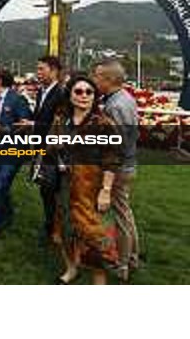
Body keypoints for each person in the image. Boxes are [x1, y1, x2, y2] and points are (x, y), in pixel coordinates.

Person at [48, 74, 123, 285]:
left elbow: (112, 159)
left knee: (95, 239)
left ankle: (99, 283)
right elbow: (49, 147)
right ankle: (71, 269)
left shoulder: (103, 124)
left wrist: (106, 190)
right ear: (70, 95)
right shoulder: (61, 120)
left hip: (91, 190)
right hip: (64, 186)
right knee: (65, 231)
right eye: (78, 91)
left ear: (95, 96)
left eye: (89, 92)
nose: (84, 95)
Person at [93, 59, 140, 282]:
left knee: (121, 216)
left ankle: (122, 264)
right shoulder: (124, 98)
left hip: (119, 168)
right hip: (128, 164)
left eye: (97, 76)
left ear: (109, 79)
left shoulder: (115, 105)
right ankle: (132, 257)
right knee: (125, 212)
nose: (94, 80)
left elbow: (116, 145)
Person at [0, 69, 32, 239]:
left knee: (1, 184)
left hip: (14, 150)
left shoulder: (18, 99)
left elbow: (24, 126)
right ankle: (7, 214)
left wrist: (4, 130)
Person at [19, 56, 67, 240]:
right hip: (40, 147)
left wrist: (33, 124)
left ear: (54, 70)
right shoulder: (41, 92)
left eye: (41, 69)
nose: (38, 73)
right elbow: (41, 117)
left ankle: (56, 230)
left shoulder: (61, 93)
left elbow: (56, 124)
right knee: (45, 189)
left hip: (54, 150)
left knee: (52, 190)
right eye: (37, 69)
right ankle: (50, 227)